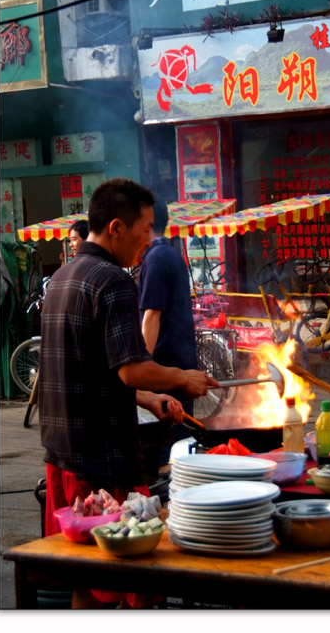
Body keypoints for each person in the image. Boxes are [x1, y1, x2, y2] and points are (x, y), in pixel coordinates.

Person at [38, 177, 219, 608]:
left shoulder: (62, 278)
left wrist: (148, 398)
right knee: (130, 579)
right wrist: (181, 378)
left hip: (61, 457)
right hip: (102, 463)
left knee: (85, 579)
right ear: (116, 227)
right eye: (144, 230)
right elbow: (132, 367)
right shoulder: (114, 281)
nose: (147, 241)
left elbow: (93, 370)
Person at [138, 201, 198, 464]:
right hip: (179, 362)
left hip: (165, 368)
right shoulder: (171, 253)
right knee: (180, 441)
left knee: (165, 449)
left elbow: (152, 316)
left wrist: (140, 365)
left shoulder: (155, 258)